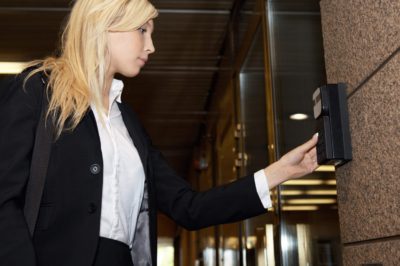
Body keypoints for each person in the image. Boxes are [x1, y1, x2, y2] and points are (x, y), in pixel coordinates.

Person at [0, 0, 319, 265]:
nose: (151, 46)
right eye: (142, 30)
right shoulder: (37, 92)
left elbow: (188, 207)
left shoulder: (130, 128)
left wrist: (279, 172)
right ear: (106, 24)